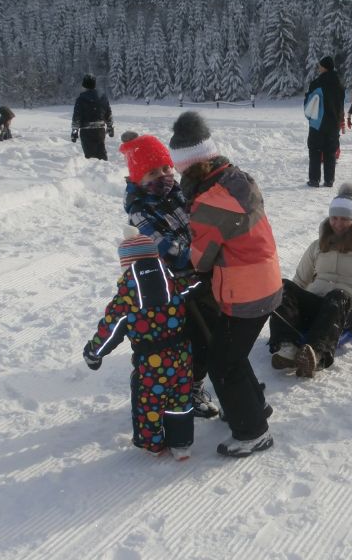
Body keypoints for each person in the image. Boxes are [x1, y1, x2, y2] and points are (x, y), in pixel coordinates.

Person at [169, 110, 282, 458]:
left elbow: (200, 259)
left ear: (188, 166)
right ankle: (253, 406)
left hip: (245, 291)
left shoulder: (209, 202)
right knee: (231, 352)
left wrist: (177, 253)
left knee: (222, 363)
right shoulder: (238, 180)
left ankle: (252, 432)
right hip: (265, 281)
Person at [119, 131, 220, 420]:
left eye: (166, 168)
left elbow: (201, 222)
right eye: (153, 173)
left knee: (217, 328)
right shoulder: (140, 211)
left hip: (202, 273)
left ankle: (220, 381)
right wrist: (204, 252)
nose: (163, 176)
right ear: (138, 178)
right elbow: (168, 249)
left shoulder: (179, 192)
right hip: (176, 286)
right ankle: (190, 388)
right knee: (197, 338)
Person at [82, 227, 195, 461]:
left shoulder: (126, 298)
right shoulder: (175, 283)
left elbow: (110, 329)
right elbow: (195, 286)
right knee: (180, 398)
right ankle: (181, 444)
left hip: (152, 364)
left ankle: (153, 444)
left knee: (149, 404)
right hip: (182, 357)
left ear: (126, 265)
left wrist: (94, 352)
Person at [268, 183, 352, 378]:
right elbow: (299, 281)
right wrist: (290, 306)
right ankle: (287, 346)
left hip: (350, 309)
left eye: (344, 219)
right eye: (334, 218)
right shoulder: (317, 246)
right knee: (283, 286)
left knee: (338, 296)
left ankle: (316, 354)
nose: (338, 224)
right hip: (319, 304)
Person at [303, 56, 345, 188]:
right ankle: (329, 180)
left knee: (315, 150)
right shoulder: (339, 85)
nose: (319, 68)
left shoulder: (317, 83)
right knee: (330, 152)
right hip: (334, 124)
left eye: (320, 66)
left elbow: (308, 103)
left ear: (325, 67)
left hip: (318, 123)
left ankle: (314, 180)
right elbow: (341, 106)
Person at [71, 73, 114, 160]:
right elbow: (108, 113)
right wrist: (110, 127)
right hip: (100, 130)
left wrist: (75, 131)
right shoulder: (102, 97)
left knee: (90, 157)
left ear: (84, 85)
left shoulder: (81, 99)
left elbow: (77, 116)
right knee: (101, 154)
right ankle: (104, 167)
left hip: (86, 131)